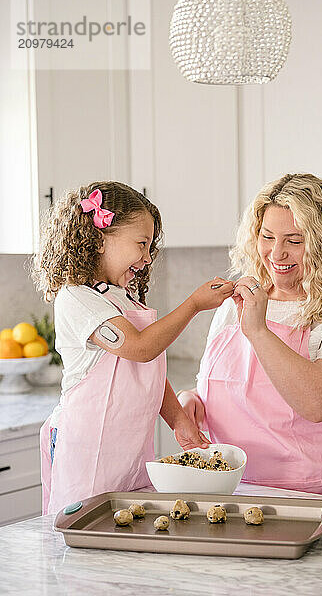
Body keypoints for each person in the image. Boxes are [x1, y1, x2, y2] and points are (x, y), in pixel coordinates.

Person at [179, 173, 322, 503]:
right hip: (239, 495)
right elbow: (244, 394)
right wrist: (194, 401)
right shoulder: (238, 302)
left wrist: (258, 330)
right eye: (267, 236)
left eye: (294, 241)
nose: (276, 254)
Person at [32, 181, 233, 514]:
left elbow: (145, 370)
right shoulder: (78, 297)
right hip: (86, 451)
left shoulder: (120, 296)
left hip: (128, 453)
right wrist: (194, 304)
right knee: (83, 540)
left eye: (150, 245)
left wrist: (181, 422)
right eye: (141, 244)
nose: (147, 257)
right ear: (99, 240)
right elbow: (140, 349)